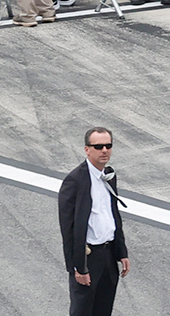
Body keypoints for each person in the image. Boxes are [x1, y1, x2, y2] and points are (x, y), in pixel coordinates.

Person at [58, 127, 130, 316]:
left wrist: (121, 251)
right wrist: (77, 267)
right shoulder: (74, 181)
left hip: (107, 256)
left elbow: (113, 214)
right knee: (82, 311)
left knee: (103, 310)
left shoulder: (108, 175)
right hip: (88, 258)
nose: (104, 150)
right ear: (87, 149)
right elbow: (68, 229)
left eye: (108, 145)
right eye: (98, 146)